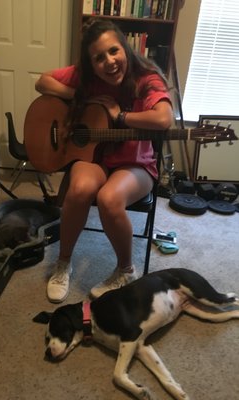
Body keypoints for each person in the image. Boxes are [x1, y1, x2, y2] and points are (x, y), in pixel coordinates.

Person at [35, 18, 173, 303]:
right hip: (95, 155)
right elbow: (42, 81)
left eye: (113, 51)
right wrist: (79, 98)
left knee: (110, 199)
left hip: (135, 162)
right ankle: (63, 262)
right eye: (99, 58)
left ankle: (126, 270)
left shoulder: (146, 77)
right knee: (80, 189)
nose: (109, 62)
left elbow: (163, 118)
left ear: (125, 47)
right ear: (91, 63)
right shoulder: (89, 78)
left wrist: (120, 116)